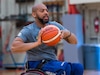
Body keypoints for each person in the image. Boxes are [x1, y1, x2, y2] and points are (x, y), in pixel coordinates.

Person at [11, 3, 84, 75]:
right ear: (34, 14)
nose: (46, 13)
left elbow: (74, 41)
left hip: (52, 62)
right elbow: (14, 47)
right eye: (42, 11)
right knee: (64, 69)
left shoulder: (54, 26)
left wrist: (68, 33)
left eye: (47, 10)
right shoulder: (28, 30)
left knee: (78, 67)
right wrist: (37, 43)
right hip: (36, 63)